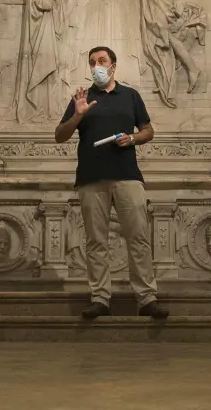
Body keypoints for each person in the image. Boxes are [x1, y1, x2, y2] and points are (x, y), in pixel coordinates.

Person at [53, 46, 168, 320]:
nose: (97, 66)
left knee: (138, 238)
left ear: (113, 66)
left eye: (102, 61)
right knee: (96, 242)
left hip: (127, 176)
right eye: (92, 62)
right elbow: (59, 135)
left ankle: (147, 298)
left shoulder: (130, 95)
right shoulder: (82, 97)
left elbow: (148, 130)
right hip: (91, 177)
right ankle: (100, 298)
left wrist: (133, 138)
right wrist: (78, 114)